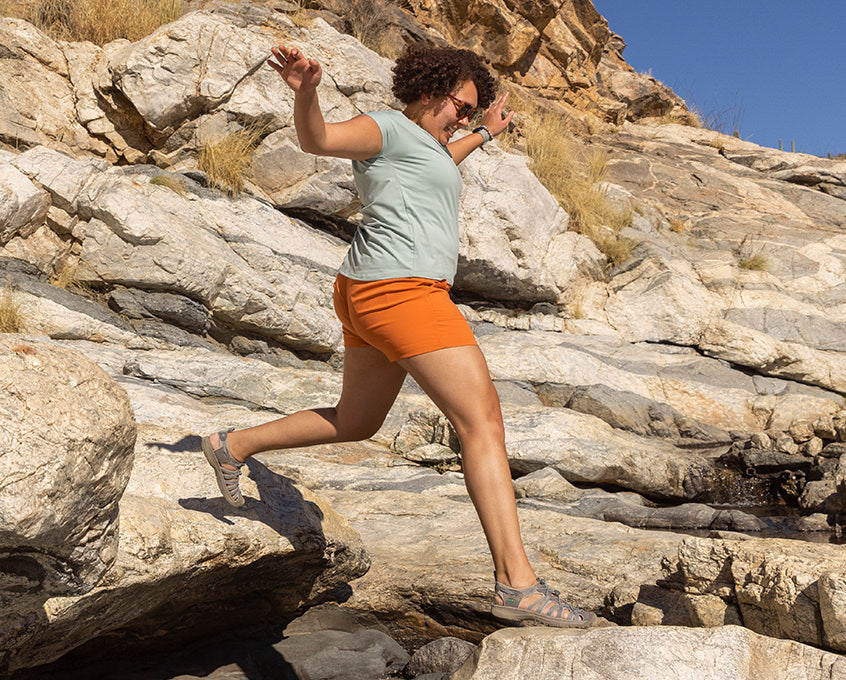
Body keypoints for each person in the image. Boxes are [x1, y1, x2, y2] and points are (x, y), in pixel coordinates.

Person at [201, 42, 596, 629]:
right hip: (403, 292)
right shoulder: (387, 127)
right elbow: (319, 140)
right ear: (430, 90)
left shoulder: (426, 146)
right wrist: (306, 90)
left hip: (366, 290)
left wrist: (485, 133)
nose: (463, 116)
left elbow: (442, 158)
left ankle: (233, 445)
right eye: (461, 105)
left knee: (357, 420)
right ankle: (518, 584)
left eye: (470, 110)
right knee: (482, 422)